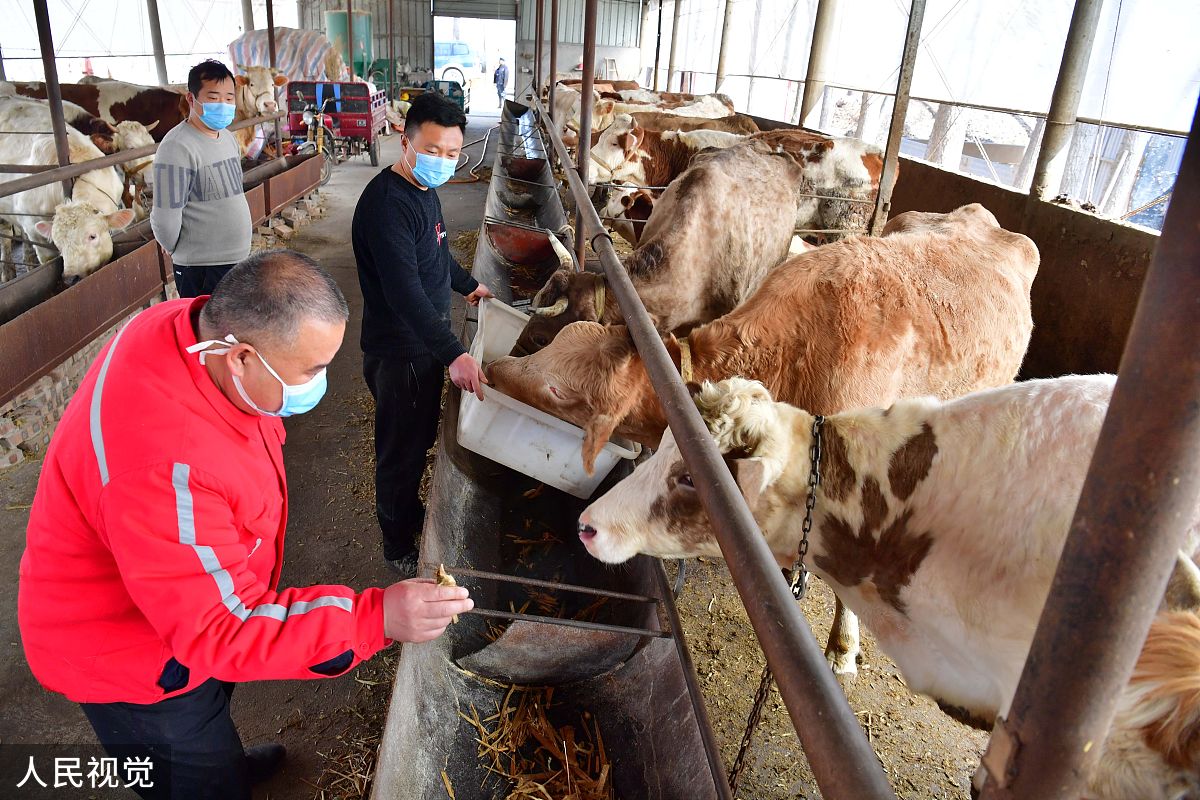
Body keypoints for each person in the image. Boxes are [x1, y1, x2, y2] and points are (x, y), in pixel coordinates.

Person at [17, 251, 473, 800]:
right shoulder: (168, 471)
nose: (321, 383)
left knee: (212, 711)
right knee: (193, 776)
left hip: (176, 602)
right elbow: (220, 628)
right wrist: (374, 618)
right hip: (130, 657)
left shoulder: (186, 327)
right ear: (241, 359)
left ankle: (220, 756)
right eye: (311, 369)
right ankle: (207, 773)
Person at [351, 92, 492, 577]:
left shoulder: (422, 191)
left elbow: (434, 257)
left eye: (452, 154)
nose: (443, 162)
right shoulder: (388, 206)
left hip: (423, 343)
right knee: (402, 452)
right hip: (402, 352)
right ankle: (397, 546)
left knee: (413, 439)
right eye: (432, 150)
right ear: (405, 141)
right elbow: (404, 290)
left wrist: (469, 285)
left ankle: (407, 521)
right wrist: (454, 353)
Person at [151, 59, 252, 298]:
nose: (223, 105)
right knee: (207, 333)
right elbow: (166, 216)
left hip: (236, 260)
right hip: (201, 268)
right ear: (191, 99)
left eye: (229, 98)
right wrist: (179, 250)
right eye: (214, 98)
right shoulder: (177, 147)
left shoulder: (227, 138)